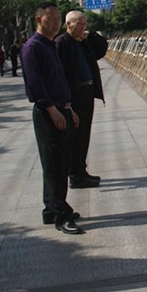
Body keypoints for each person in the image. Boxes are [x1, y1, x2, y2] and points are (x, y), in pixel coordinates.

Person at [21, 1, 84, 234]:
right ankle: (60, 214)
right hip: (49, 113)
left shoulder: (50, 45)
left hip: (61, 108)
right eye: (52, 18)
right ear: (39, 20)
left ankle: (51, 208)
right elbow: (36, 86)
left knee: (61, 161)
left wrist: (68, 107)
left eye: (59, 19)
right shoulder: (33, 47)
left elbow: (58, 81)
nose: (57, 22)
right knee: (54, 165)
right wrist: (53, 110)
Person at [56, 11, 108, 189]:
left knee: (85, 133)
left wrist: (91, 35)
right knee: (75, 136)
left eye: (85, 24)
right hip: (73, 95)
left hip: (87, 91)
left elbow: (102, 49)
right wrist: (66, 103)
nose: (83, 27)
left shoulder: (83, 42)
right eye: (80, 24)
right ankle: (75, 174)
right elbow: (59, 74)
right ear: (69, 24)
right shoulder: (61, 43)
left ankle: (81, 170)